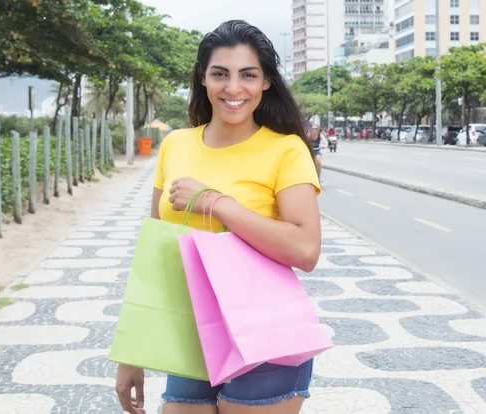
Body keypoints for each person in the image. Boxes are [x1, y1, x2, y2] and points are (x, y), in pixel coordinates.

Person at [115, 20, 322, 414]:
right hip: (192, 332)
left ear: (265, 83)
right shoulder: (175, 145)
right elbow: (156, 256)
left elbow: (305, 250)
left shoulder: (287, 150)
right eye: (220, 74)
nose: (233, 88)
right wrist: (132, 350)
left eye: (248, 75)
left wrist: (216, 202)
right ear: (203, 78)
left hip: (266, 332)